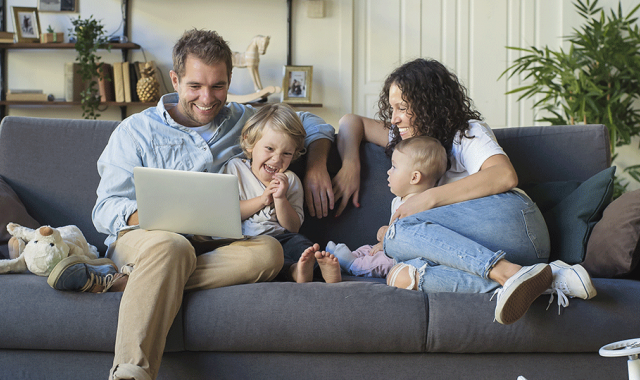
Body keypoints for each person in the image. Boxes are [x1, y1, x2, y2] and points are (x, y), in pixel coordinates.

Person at [46, 28, 336, 380]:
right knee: (172, 245)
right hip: (149, 240)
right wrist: (162, 218)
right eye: (195, 86)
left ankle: (129, 282)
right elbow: (106, 209)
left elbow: (312, 124)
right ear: (175, 79)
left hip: (216, 245)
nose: (207, 98)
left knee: (270, 253)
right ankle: (130, 372)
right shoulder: (135, 131)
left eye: (218, 86)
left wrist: (319, 165)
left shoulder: (243, 119)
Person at [331, 58, 596, 325]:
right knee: (401, 273)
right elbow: (352, 122)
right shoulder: (407, 140)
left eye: (402, 107)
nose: (395, 118)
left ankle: (505, 272)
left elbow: (504, 175)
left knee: (397, 232)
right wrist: (350, 165)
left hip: (517, 225)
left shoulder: (466, 133)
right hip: (501, 252)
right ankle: (546, 279)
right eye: (392, 108)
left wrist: (426, 199)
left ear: (427, 106)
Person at [223, 102, 341, 283]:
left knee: (302, 246)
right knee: (262, 257)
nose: (277, 159)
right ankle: (294, 271)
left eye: (286, 153)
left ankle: (317, 271)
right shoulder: (235, 168)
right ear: (249, 143)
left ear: (294, 154)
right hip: (245, 240)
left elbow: (292, 227)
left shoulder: (290, 180)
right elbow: (229, 213)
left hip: (281, 237)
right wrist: (263, 200)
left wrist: (280, 199)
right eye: (269, 148)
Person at [326, 135, 447, 278]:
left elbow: (410, 241)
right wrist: (385, 235)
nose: (388, 171)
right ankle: (346, 257)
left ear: (414, 177)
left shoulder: (422, 207)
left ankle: (353, 265)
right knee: (368, 249)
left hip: (403, 258)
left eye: (394, 167)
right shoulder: (398, 200)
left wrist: (386, 238)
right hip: (389, 248)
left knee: (382, 262)